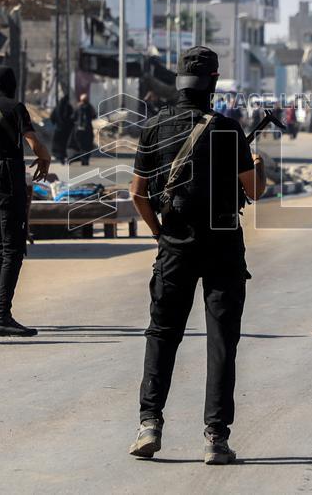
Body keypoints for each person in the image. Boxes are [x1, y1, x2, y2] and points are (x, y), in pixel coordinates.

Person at [128, 46, 266, 466]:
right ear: (215, 81)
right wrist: (257, 162)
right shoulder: (229, 130)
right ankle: (215, 439)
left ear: (179, 82)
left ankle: (149, 423)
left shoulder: (154, 128)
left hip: (174, 245)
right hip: (223, 244)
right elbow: (255, 191)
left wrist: (159, 234)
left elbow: (137, 193)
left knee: (162, 334)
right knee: (222, 341)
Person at [0, 67, 51, 337]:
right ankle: (2, 315)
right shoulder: (16, 107)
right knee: (14, 249)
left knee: (3, 248)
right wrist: (46, 157)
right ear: (13, 84)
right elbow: (33, 141)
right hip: (8, 178)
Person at [72, 93, 97, 166]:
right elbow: (94, 116)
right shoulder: (90, 107)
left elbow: (73, 117)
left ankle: (83, 159)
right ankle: (85, 159)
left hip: (79, 130)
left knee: (81, 146)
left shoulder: (77, 107)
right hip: (88, 130)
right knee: (88, 145)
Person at [50, 94, 75, 164]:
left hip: (58, 129)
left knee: (58, 143)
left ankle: (60, 156)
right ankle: (65, 156)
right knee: (65, 143)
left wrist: (56, 123)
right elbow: (72, 118)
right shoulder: (69, 107)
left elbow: (52, 118)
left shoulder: (57, 108)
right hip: (67, 130)